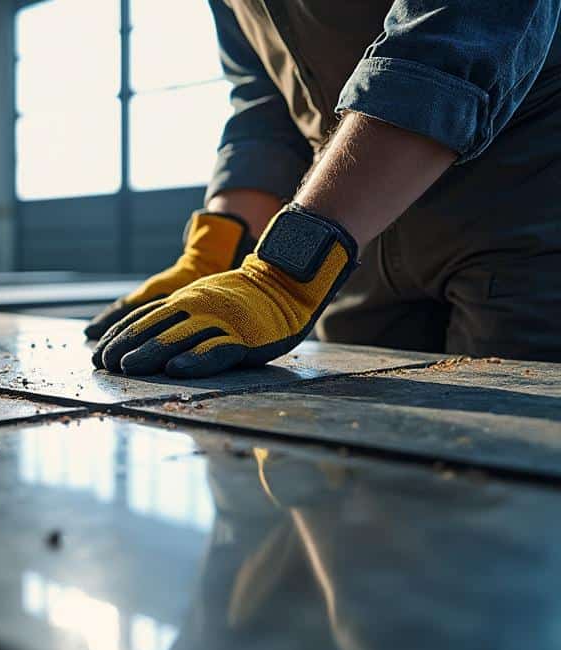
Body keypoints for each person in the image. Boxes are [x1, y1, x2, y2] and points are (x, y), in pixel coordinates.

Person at [88, 1, 561, 377]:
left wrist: (287, 273)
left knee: (506, 454)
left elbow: (456, 36)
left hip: (519, 212)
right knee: (350, 468)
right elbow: (267, 99)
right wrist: (214, 253)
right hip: (351, 238)